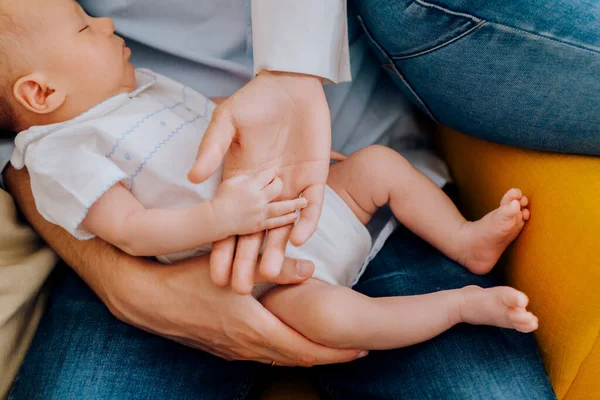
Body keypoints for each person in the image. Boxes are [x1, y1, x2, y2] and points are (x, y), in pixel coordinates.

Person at [2, 0, 562, 398]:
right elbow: (130, 230)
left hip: (316, 185)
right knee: (333, 317)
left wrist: (295, 132)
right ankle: (458, 304)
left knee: (378, 167)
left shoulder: (142, 85)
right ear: (40, 92)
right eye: (82, 28)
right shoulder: (62, 154)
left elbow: (209, 109)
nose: (104, 22)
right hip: (253, 276)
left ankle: (466, 241)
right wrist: (158, 264)